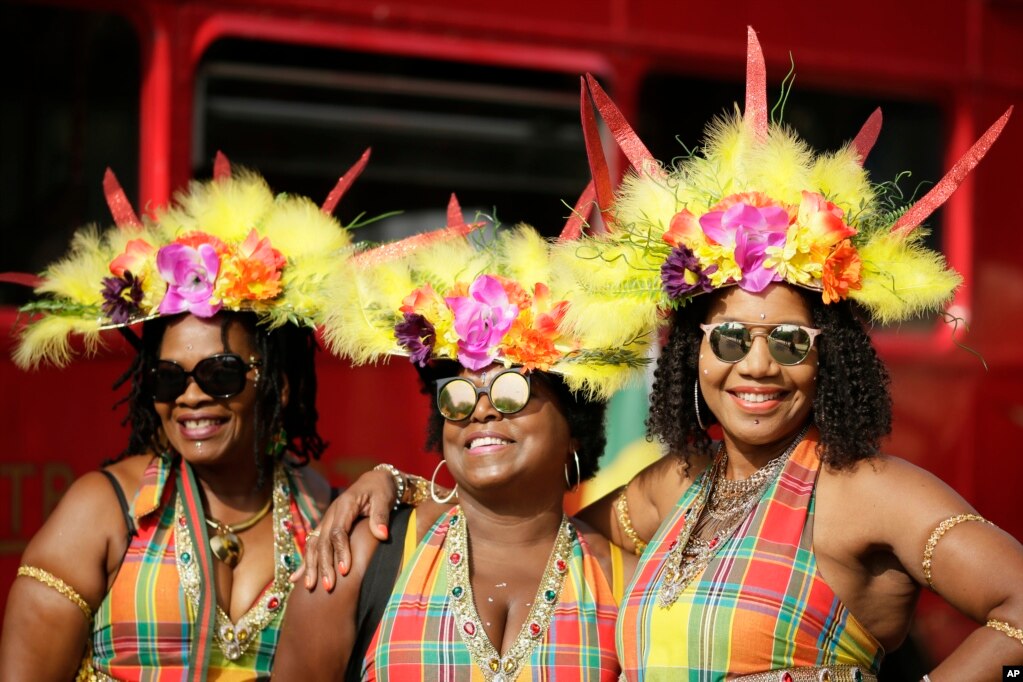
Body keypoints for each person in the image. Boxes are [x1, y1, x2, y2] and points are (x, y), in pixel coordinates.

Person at [297, 30, 1023, 682]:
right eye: (730, 339)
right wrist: (399, 488)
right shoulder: (677, 486)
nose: (756, 366)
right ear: (693, 354)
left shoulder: (863, 489)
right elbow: (529, 518)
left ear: (829, 357)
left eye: (788, 342)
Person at [0, 152, 369, 681]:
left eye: (219, 374)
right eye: (169, 379)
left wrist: (390, 483)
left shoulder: (324, 519)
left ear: (278, 386)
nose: (191, 397)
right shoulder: (105, 511)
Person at [273, 222, 645, 680]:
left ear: (575, 425)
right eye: (458, 396)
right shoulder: (361, 558)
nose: (482, 410)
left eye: (512, 390)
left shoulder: (630, 590)